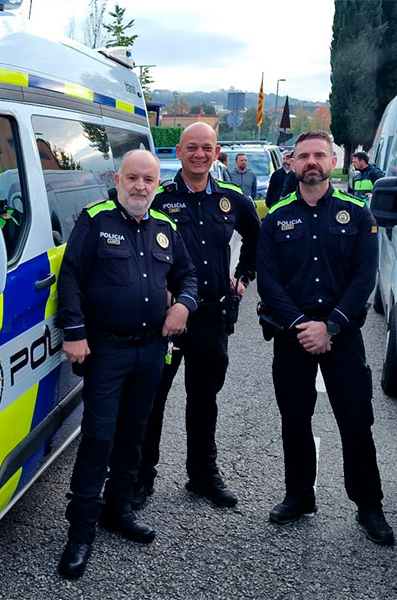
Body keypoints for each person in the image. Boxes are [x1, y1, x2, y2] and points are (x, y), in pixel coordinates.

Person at [56, 149, 198, 580]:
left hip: (151, 349)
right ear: (118, 179)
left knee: (135, 432)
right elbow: (72, 277)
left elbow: (187, 275)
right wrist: (75, 332)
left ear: (158, 184)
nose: (140, 186)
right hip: (108, 349)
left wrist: (185, 306)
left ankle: (117, 510)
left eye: (149, 180)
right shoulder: (95, 220)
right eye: (133, 178)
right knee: (99, 437)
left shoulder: (165, 227)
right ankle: (80, 532)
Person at [257, 131, 393, 546]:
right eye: (303, 156)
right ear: (292, 163)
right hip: (292, 335)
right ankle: (299, 495)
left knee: (356, 420)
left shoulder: (357, 214)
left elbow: (363, 278)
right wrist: (302, 324)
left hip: (343, 335)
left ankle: (368, 505)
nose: (311, 162)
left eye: (319, 155)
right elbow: (269, 281)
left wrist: (330, 325)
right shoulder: (276, 217)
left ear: (333, 161)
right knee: (294, 418)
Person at [137, 122, 260, 510]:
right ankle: (141, 478)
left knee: (204, 398)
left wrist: (243, 279)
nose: (199, 154)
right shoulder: (160, 199)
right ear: (179, 152)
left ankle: (203, 475)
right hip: (168, 319)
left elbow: (258, 239)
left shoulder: (233, 199)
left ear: (217, 152)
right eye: (191, 147)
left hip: (210, 316)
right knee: (152, 398)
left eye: (207, 148)